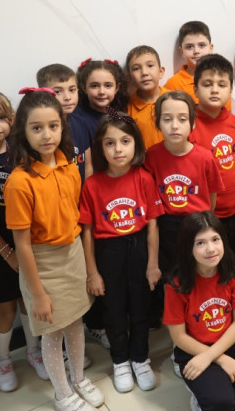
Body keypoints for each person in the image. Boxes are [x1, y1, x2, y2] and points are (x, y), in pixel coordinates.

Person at [4, 88, 102, 411]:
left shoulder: (69, 166)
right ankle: (62, 393)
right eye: (37, 127)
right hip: (42, 263)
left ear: (62, 127)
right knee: (52, 332)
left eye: (53, 126)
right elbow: (22, 244)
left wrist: (87, 267)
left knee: (75, 322)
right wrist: (37, 294)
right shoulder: (19, 181)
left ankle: (79, 378)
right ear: (23, 131)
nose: (46, 135)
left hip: (72, 255)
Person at [79, 109, 163, 393]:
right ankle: (120, 361)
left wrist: (153, 264)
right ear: (100, 147)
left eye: (125, 141)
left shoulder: (144, 178)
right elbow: (87, 232)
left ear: (135, 144)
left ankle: (140, 358)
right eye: (110, 143)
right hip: (108, 253)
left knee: (140, 308)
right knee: (113, 311)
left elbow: (152, 225)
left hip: (139, 250)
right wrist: (92, 273)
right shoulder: (92, 184)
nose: (118, 149)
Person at [0, 90, 47, 392]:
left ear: (12, 119)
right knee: (6, 309)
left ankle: (33, 351)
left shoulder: (21, 149)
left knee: (29, 302)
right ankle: (1, 359)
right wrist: (5, 252)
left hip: (27, 241)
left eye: (1, 117)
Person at [144, 91, 225, 326]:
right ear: (158, 123)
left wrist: (205, 223)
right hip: (167, 227)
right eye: (167, 119)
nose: (174, 126)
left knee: (199, 276)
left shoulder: (205, 157)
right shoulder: (152, 156)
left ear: (193, 122)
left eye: (182, 119)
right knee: (173, 280)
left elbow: (212, 196)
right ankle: (176, 327)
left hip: (198, 225)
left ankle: (199, 323)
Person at [164, 212, 235, 411]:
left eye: (215, 239)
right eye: (200, 243)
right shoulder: (177, 283)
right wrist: (219, 359)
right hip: (194, 349)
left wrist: (216, 356)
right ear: (188, 248)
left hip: (230, 343)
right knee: (222, 402)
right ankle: (199, 397)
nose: (210, 249)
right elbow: (178, 336)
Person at [76, 58, 128, 349]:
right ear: (84, 87)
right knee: (93, 261)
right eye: (94, 85)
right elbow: (87, 165)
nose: (101, 91)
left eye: (108, 85)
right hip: (92, 197)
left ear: (117, 87)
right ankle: (95, 324)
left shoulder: (118, 115)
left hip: (118, 198)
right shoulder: (78, 119)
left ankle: (116, 318)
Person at [190, 54, 235, 263]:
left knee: (234, 257)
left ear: (230, 90)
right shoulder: (189, 123)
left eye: (222, 85)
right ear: (195, 89)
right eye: (207, 84)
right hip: (205, 210)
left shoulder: (233, 121)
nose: (215, 90)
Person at [37, 63, 93, 184]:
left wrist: (87, 192)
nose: (67, 97)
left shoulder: (81, 122)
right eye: (58, 91)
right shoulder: (42, 131)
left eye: (72, 90)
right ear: (43, 93)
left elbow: (88, 166)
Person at [125, 45, 169, 149]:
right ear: (130, 78)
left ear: (161, 72)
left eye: (150, 65)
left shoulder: (175, 100)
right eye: (136, 68)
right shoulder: (127, 109)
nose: (144, 73)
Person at [167, 21, 214, 102]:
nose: (196, 51)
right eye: (189, 47)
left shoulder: (220, 79)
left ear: (210, 48)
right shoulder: (174, 84)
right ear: (182, 52)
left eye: (202, 45)